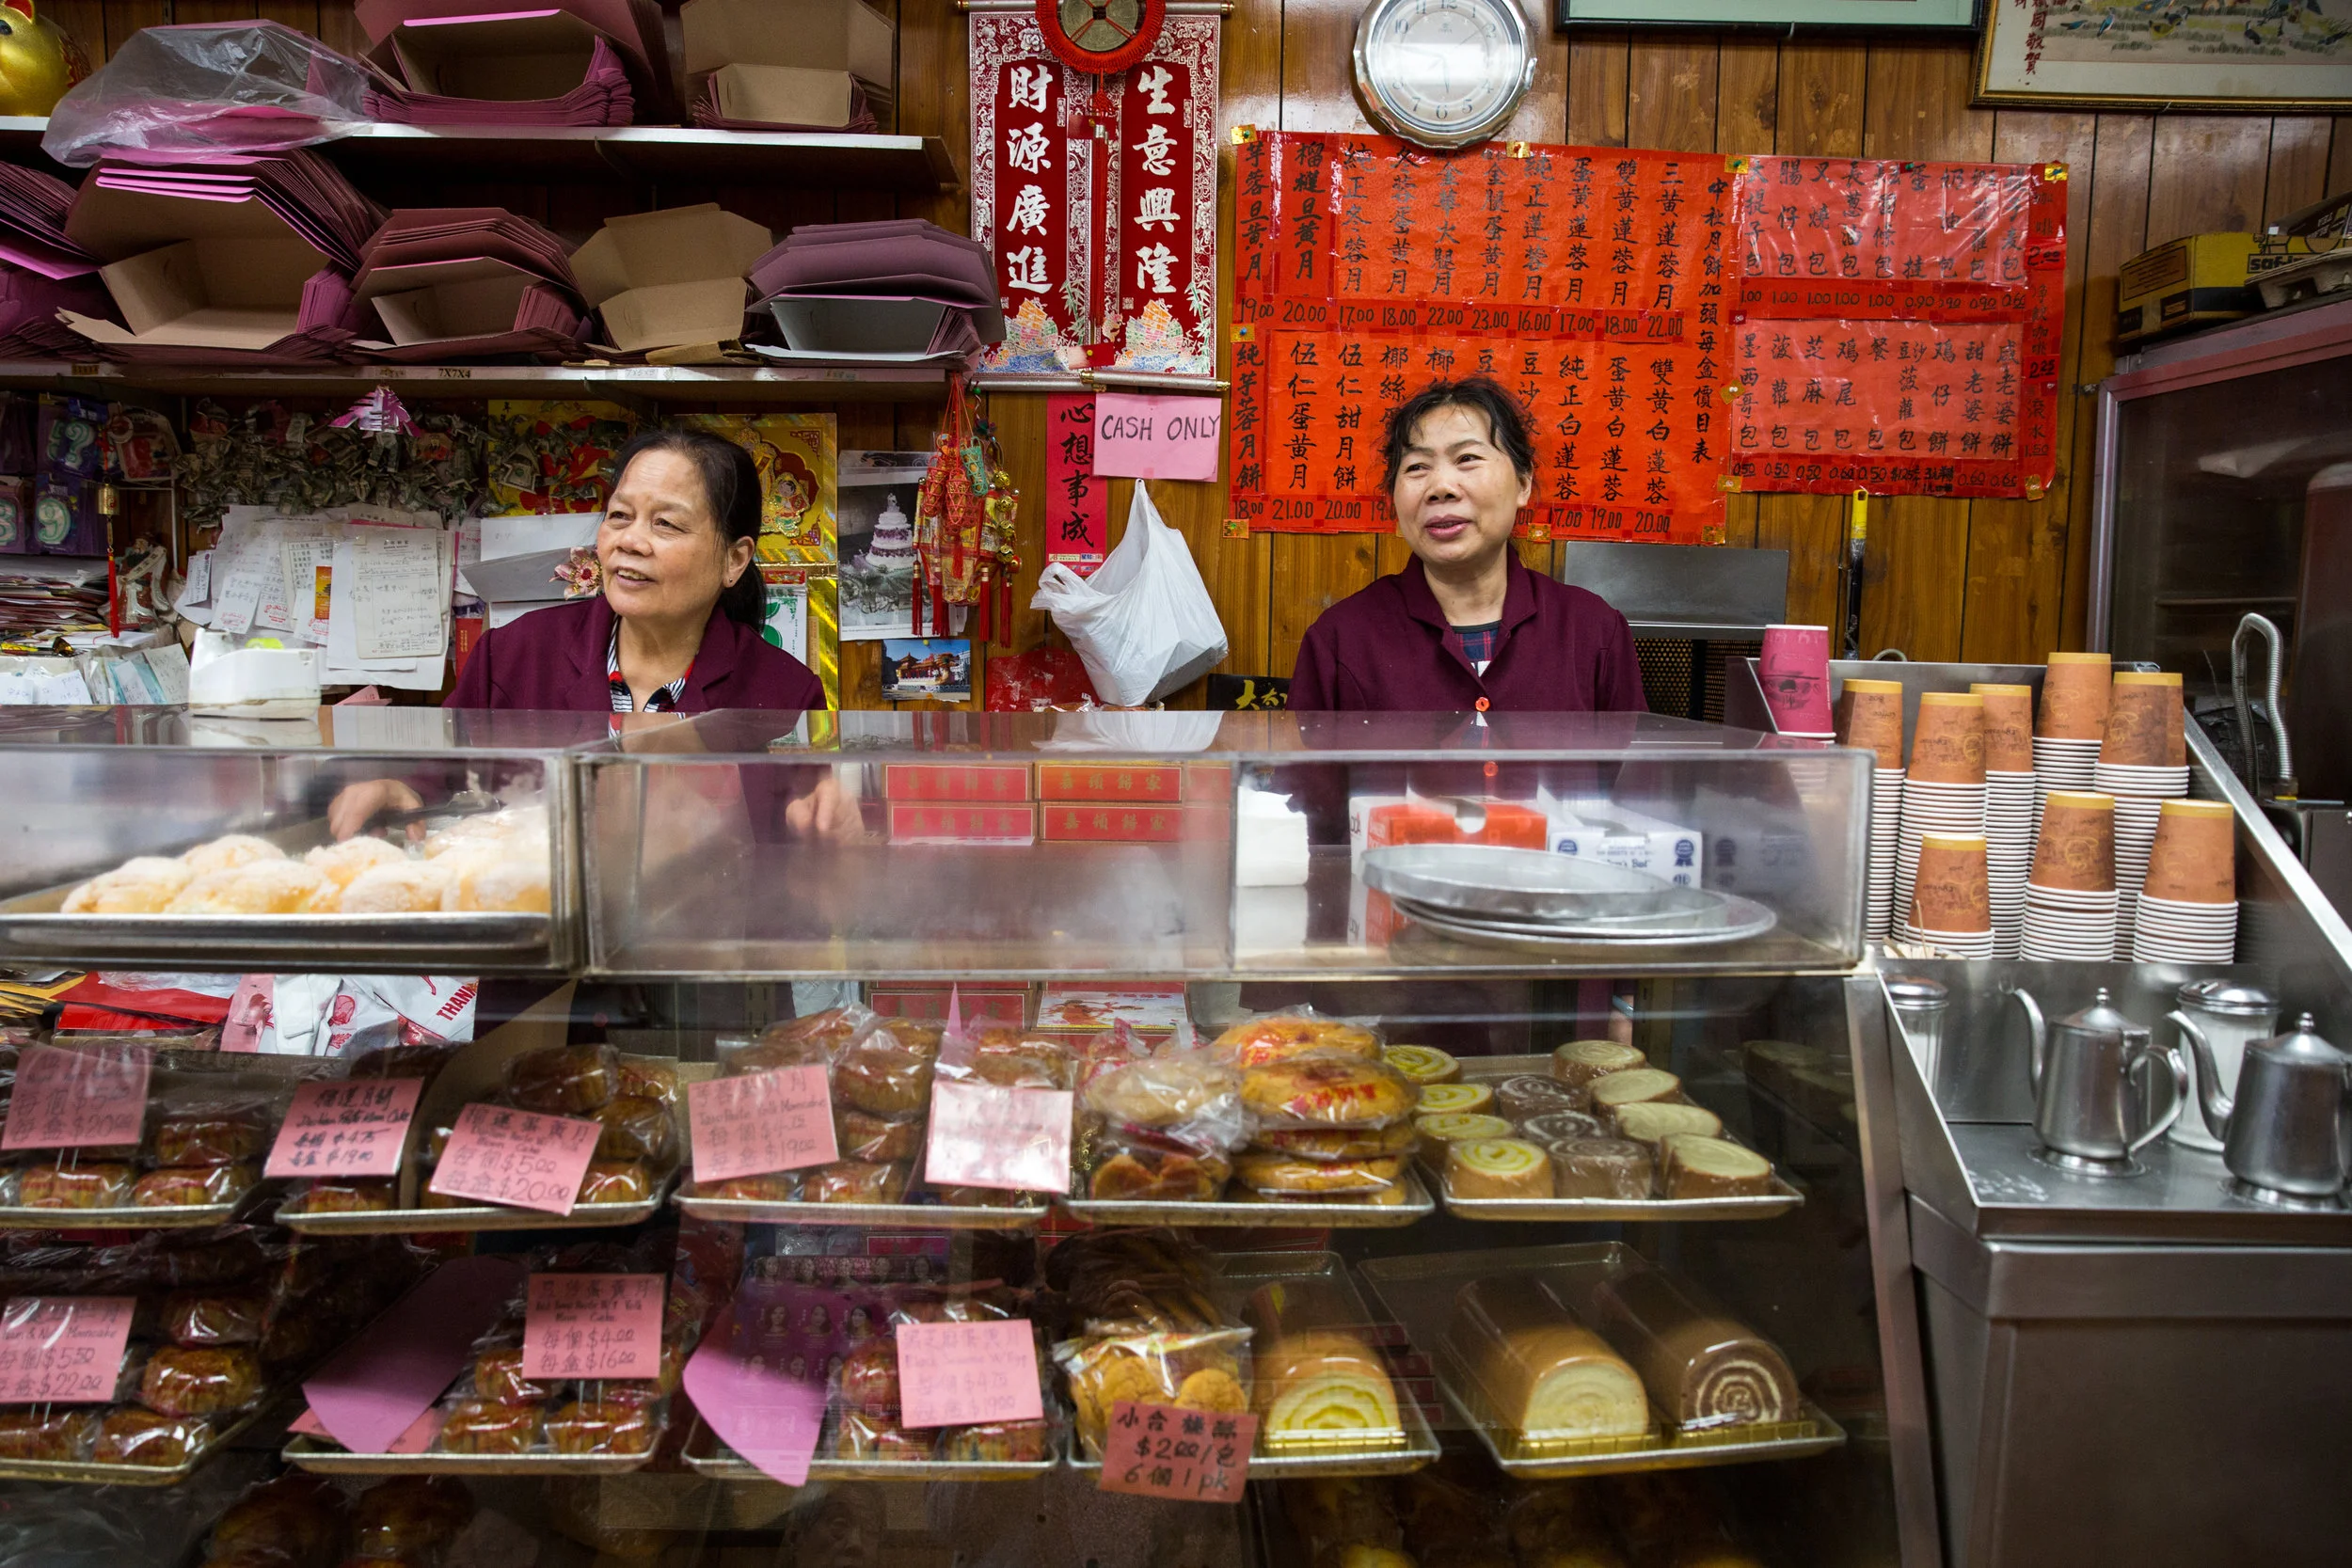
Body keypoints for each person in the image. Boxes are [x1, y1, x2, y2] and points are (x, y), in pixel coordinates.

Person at [330, 427, 853, 840]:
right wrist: (396, 787)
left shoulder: (784, 691)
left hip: (705, 960)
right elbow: (437, 773)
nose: (630, 541)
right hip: (544, 955)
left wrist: (824, 830)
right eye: (619, 516)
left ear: (734, 559)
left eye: (666, 525)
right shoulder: (515, 655)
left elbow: (806, 845)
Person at [1287, 377, 1646, 714]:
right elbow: (1305, 780)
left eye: (1467, 459)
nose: (1440, 486)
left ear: (1523, 484)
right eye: (1416, 467)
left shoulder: (1593, 631)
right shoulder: (1339, 639)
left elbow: (1633, 777)